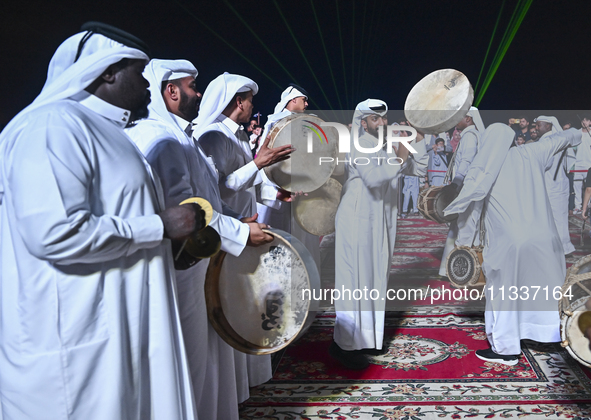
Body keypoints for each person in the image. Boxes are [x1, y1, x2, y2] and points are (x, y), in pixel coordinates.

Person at [0, 23, 200, 419]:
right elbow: (54, 234)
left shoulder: (105, 131)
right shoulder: (53, 125)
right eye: (139, 74)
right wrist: (159, 227)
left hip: (118, 332)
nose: (148, 86)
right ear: (106, 71)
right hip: (75, 343)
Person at [126, 59, 275, 419]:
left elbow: (207, 198)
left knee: (205, 361)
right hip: (182, 269)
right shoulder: (163, 140)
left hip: (199, 262)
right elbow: (185, 211)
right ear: (171, 91)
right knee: (189, 364)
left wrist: (238, 220)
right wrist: (239, 231)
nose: (198, 94)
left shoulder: (180, 136)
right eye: (192, 86)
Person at [445, 124, 581, 364]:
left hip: (508, 242)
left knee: (504, 294)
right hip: (545, 239)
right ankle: (551, 336)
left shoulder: (484, 166)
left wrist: (463, 244)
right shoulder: (532, 151)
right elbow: (563, 139)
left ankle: (506, 350)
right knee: (546, 289)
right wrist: (580, 132)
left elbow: (472, 208)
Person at [194, 72, 294, 389]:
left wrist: (274, 193)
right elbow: (217, 192)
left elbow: (244, 182)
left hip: (241, 227)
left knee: (247, 304)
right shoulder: (212, 136)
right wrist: (259, 162)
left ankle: (247, 381)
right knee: (233, 308)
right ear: (239, 101)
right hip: (224, 237)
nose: (253, 105)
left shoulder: (234, 134)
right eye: (250, 99)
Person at [330, 99, 427, 370]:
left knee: (375, 277)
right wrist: (400, 154)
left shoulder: (384, 147)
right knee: (354, 280)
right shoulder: (357, 144)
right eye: (376, 119)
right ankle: (344, 345)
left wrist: (417, 140)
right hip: (357, 220)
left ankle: (369, 339)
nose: (383, 123)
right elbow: (374, 178)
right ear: (363, 123)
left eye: (384, 119)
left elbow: (419, 169)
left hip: (381, 221)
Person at [438, 107, 484, 276]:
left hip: (466, 188)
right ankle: (453, 269)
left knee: (465, 227)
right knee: (460, 227)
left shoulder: (470, 137)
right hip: (466, 186)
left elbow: (466, 162)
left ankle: (464, 271)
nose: (455, 120)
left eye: (459, 117)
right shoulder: (469, 135)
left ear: (469, 119)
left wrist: (456, 184)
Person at [535, 116, 576, 255]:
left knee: (558, 219)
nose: (536, 128)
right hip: (555, 185)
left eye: (538, 125)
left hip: (553, 186)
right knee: (556, 219)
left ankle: (562, 249)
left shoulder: (549, 141)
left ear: (548, 126)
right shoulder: (556, 139)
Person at [573, 116, 591, 214]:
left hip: (589, 164)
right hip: (578, 164)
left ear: (590, 122)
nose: (584, 122)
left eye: (586, 120)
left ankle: (588, 206)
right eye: (583, 120)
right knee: (577, 186)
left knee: (589, 187)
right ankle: (577, 206)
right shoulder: (577, 133)